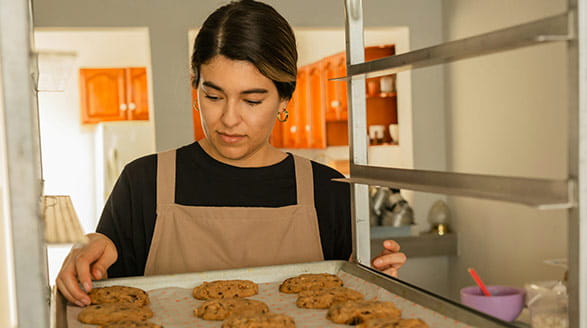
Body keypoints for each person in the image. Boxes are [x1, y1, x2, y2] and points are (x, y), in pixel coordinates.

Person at [56, 0, 406, 307]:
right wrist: (89, 260)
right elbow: (107, 300)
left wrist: (373, 279)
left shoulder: (327, 189)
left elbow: (347, 298)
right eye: (213, 96)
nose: (228, 118)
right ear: (195, 84)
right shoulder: (143, 182)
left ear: (284, 99)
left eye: (252, 100)